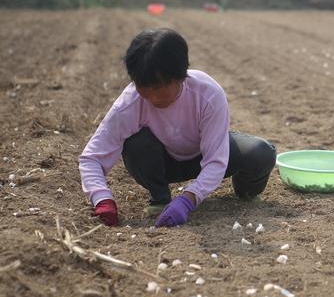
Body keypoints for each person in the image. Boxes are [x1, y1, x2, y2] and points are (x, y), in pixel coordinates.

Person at [79, 28, 276, 227]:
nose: (152, 98)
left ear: (181, 76)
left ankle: (245, 193)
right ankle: (160, 197)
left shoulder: (208, 94)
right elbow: (92, 158)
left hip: (201, 155)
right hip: (162, 163)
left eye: (158, 88)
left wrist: (188, 199)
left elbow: (216, 161)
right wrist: (102, 200)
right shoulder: (129, 103)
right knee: (136, 142)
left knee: (260, 153)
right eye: (143, 88)